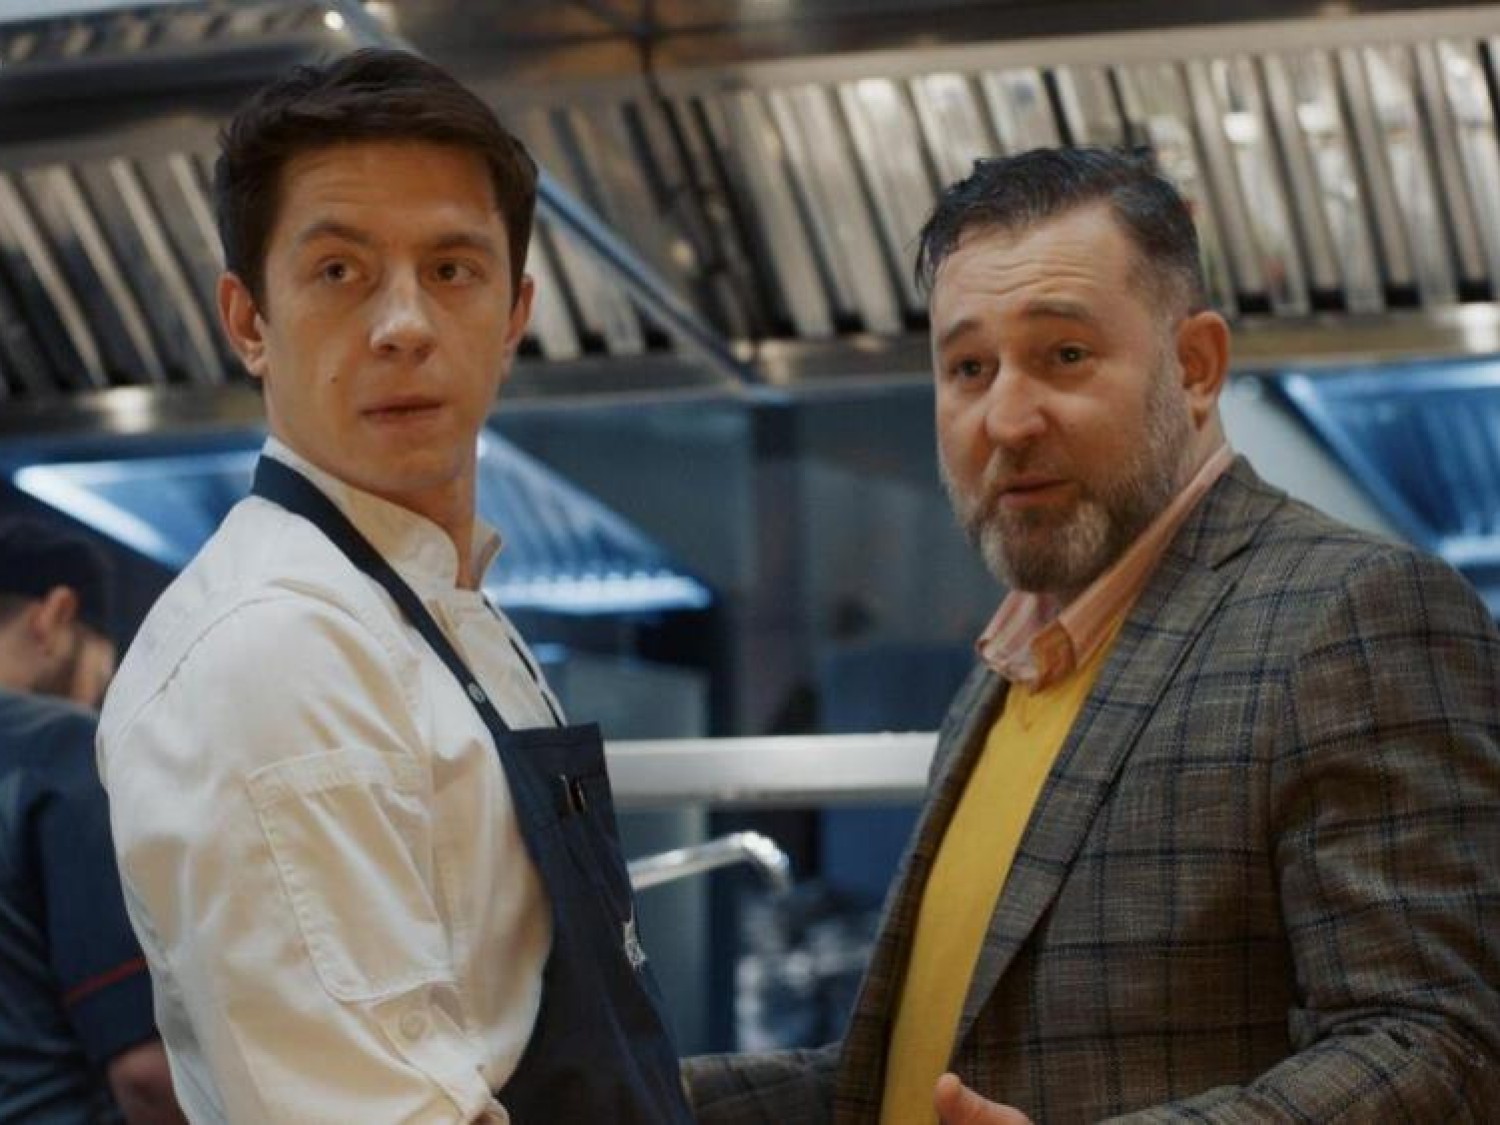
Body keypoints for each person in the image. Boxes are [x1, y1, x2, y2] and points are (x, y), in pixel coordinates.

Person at [685, 147, 1500, 1123]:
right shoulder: (1008, 675)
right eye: (969, 368)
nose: (1007, 418)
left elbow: (1439, 1048)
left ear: (1195, 367)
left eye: (1064, 355)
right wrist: (622, 1090)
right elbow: (918, 1078)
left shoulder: (1352, 613)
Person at [96, 49, 690, 1124]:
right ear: (248, 322)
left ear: (513, 313)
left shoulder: (443, 609)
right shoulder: (272, 650)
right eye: (339, 272)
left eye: (452, 270)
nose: (405, 324)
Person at [0, 518, 185, 1123]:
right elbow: (145, 1076)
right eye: (100, 677)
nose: (94, 700)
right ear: (56, 614)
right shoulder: (57, 747)